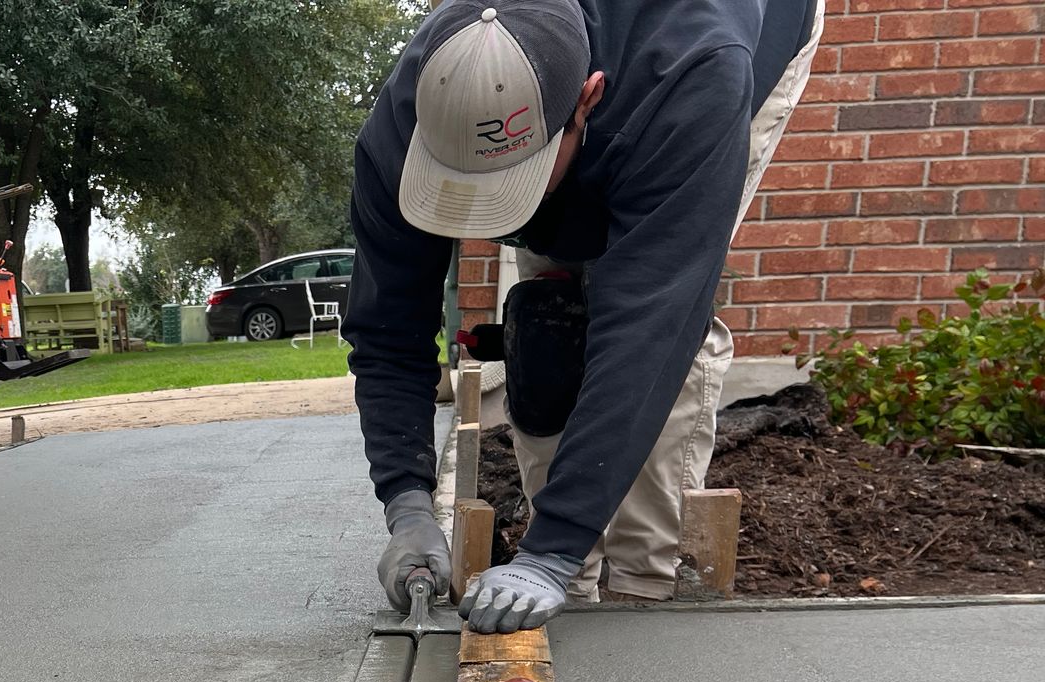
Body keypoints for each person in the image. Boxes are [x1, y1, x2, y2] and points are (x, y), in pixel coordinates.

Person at [344, 0, 823, 632]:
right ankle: (570, 578)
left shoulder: (694, 78)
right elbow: (388, 326)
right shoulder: (418, 112)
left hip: (733, 48)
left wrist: (553, 549)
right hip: (587, 106)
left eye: (512, 182)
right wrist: (407, 503)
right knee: (547, 327)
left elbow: (650, 330)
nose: (488, 225)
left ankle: (643, 585)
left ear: (586, 100)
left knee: (664, 328)